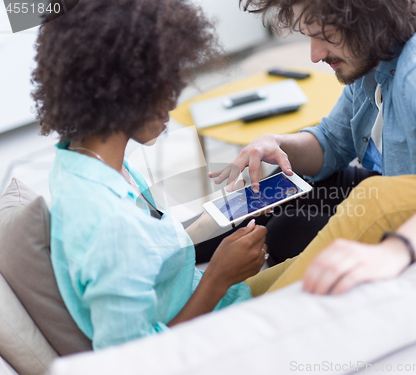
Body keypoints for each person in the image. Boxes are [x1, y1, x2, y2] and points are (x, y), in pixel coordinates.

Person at [211, 0, 416, 295]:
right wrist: (278, 143)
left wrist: (394, 251)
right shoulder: (374, 60)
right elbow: (332, 142)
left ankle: (218, 288)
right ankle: (189, 242)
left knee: (286, 231)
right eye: (309, 36)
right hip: (392, 186)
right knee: (279, 183)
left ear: (371, 18)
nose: (314, 55)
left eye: (325, 36)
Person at [32, 0, 268, 350]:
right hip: (219, 340)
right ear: (122, 88)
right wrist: (218, 276)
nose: (172, 102)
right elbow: (134, 359)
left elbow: (147, 248)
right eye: (164, 85)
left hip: (223, 304)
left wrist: (212, 221)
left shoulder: (84, 161)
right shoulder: (109, 222)